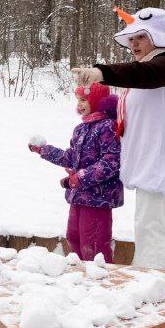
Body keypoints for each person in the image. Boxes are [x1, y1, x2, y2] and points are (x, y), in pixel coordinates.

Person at [72, 7, 165, 269]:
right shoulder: (151, 64)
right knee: (148, 222)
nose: (133, 43)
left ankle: (151, 282)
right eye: (131, 39)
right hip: (155, 154)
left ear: (157, 38)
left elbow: (146, 75)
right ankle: (148, 278)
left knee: (155, 226)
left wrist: (103, 73)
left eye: (140, 37)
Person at [29, 84, 123, 262]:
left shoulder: (107, 127)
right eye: (78, 100)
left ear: (97, 101)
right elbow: (71, 158)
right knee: (74, 237)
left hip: (98, 198)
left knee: (94, 243)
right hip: (79, 195)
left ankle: (99, 281)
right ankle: (81, 277)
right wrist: (43, 150)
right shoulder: (81, 129)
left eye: (84, 99)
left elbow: (112, 161)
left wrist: (80, 178)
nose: (79, 104)